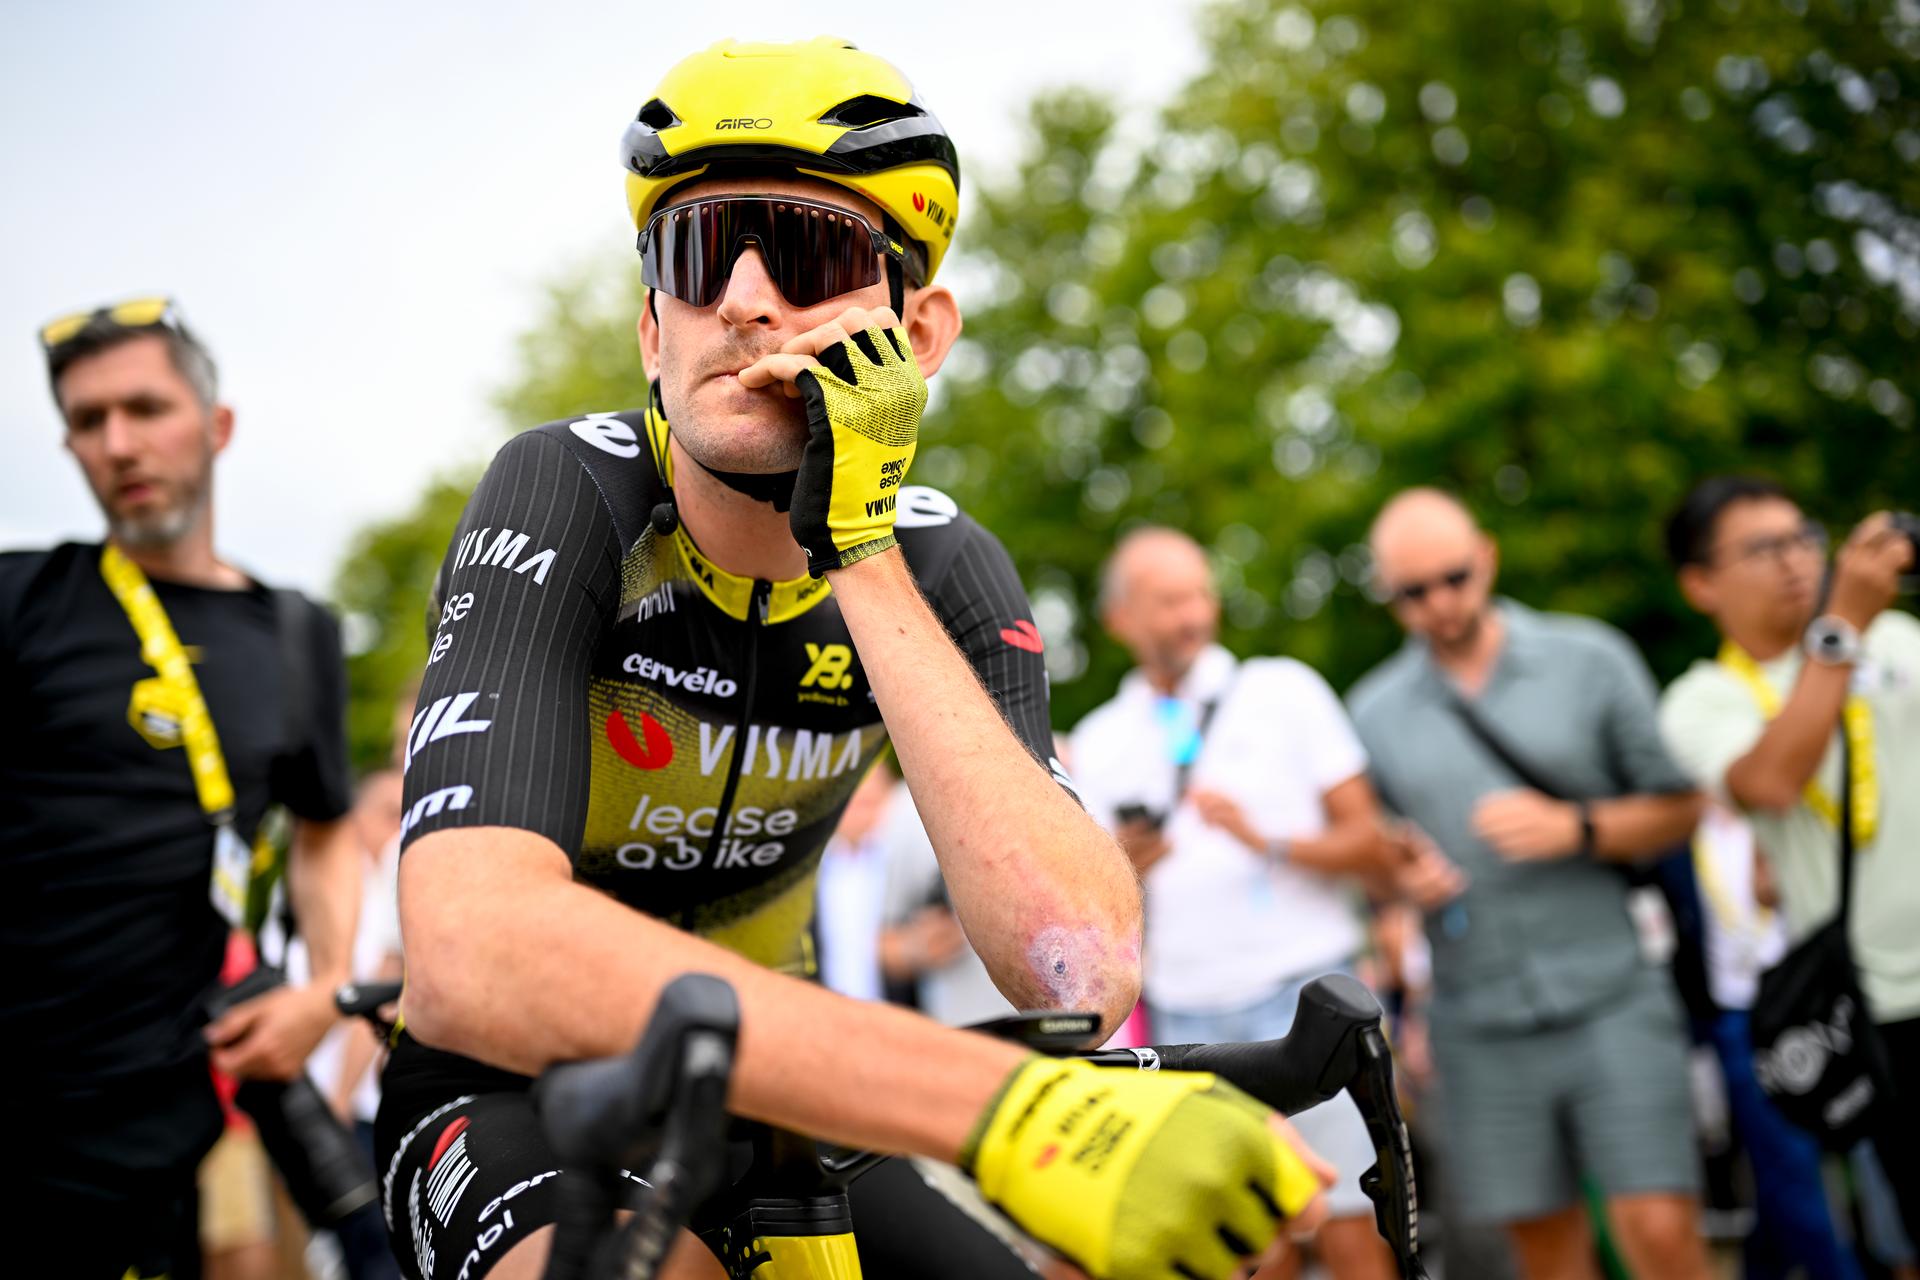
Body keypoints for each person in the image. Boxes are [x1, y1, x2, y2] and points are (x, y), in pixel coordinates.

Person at [376, 37, 1333, 1280]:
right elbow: (469, 950)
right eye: (697, 251)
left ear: (920, 331)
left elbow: (1078, 969)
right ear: (650, 327)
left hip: (786, 1078)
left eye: (813, 252)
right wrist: (1000, 1108)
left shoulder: (945, 561)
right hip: (515, 1082)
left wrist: (859, 544)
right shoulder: (569, 487)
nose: (747, 300)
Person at [1, 298, 361, 1279]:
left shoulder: (297, 635)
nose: (117, 442)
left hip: (160, 1136)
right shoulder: (22, 598)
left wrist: (326, 986)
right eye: (86, 420)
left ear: (216, 425)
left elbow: (327, 827)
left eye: (144, 407)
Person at [1347, 488, 1710, 1280]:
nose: (1439, 603)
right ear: (1389, 597)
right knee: (1544, 1257)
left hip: (1611, 991)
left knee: (1659, 1232)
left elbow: (1683, 807)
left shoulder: (1590, 659)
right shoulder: (1372, 711)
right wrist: (1402, 876)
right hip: (1479, 1021)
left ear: (1488, 558)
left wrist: (1578, 828)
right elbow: (1378, 874)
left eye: (1454, 577)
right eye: (1413, 592)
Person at [1069, 526, 1402, 1280]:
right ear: (1119, 619)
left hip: (1304, 995)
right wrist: (1126, 866)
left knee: (1354, 1221)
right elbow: (1086, 909)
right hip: (1189, 1017)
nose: (1190, 615)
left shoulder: (1282, 691)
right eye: (1166, 601)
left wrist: (1270, 841)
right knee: (1247, 1243)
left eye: (1198, 594)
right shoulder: (1098, 738)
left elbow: (1372, 842)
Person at [1659, 476, 1920, 1242]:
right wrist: (1841, 626)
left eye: (1803, 536)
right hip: (1874, 1008)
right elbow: (1771, 780)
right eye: (1762, 548)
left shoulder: (1900, 638)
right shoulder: (1703, 698)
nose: (1796, 560)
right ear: (1700, 583)